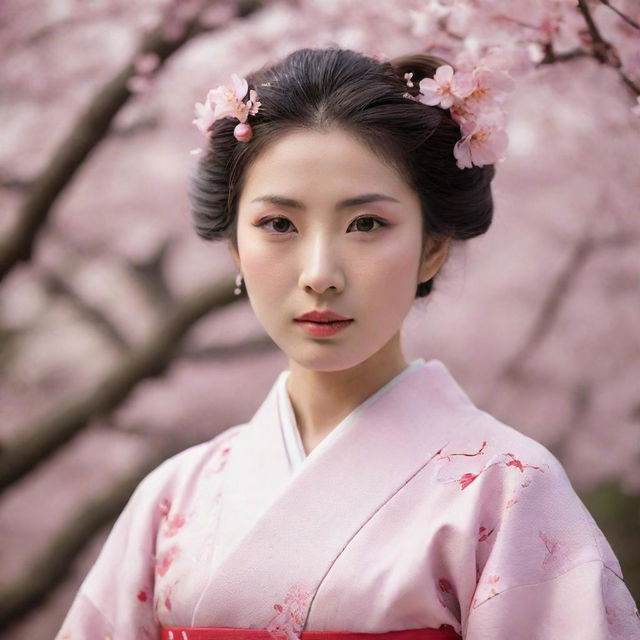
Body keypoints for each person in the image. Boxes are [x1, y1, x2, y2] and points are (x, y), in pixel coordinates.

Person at [55, 47, 640, 640]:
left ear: (432, 247)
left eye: (366, 224)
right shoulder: (173, 496)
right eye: (278, 224)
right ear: (235, 247)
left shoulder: (509, 489)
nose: (320, 273)